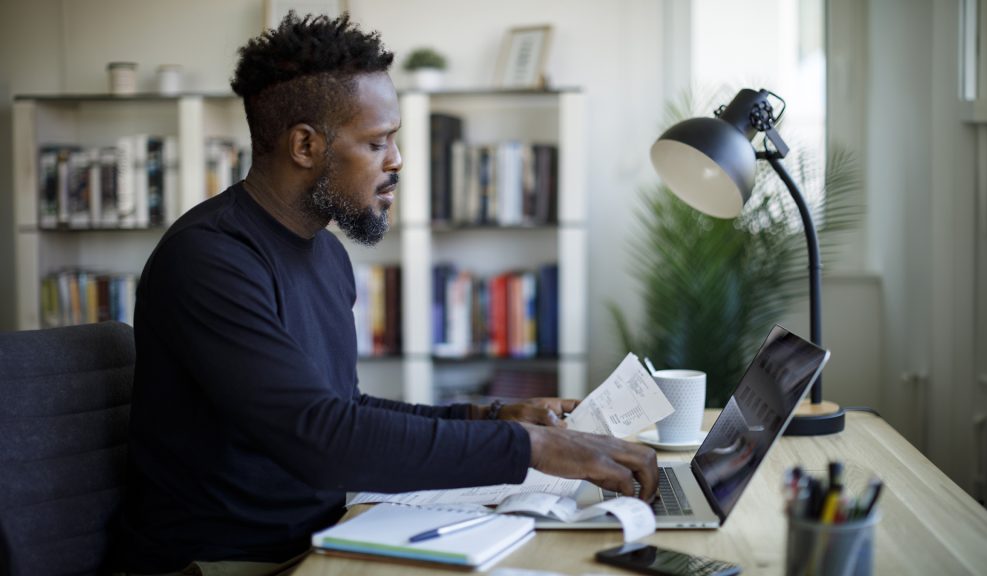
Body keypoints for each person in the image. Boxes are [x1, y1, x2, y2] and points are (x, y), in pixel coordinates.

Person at [114, 13, 656, 575]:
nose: (396, 160)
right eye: (377, 142)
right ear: (305, 144)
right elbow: (323, 440)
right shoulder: (210, 260)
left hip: (322, 534)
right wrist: (530, 447)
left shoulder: (324, 254)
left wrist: (493, 414)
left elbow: (344, 411)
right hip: (225, 562)